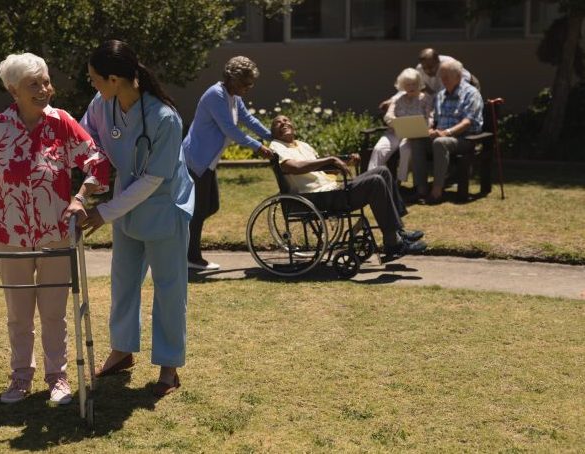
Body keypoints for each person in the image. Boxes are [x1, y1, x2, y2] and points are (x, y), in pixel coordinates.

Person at [0, 53, 111, 405]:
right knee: (18, 314)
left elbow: (97, 162)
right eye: (33, 84)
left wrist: (81, 197)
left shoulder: (62, 123)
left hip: (56, 233)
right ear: (13, 90)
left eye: (46, 81)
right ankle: (20, 377)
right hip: (10, 234)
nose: (43, 89)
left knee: (53, 311)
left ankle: (58, 377)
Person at [79, 40, 194, 398]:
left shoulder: (164, 118)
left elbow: (153, 179)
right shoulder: (103, 104)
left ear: (114, 78)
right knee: (123, 283)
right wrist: (89, 182)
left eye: (95, 78)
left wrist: (103, 212)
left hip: (163, 208)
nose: (92, 84)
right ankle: (122, 350)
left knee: (169, 290)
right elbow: (87, 139)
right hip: (126, 208)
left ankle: (169, 366)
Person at [270, 115, 427, 257]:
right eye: (277, 123)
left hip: (330, 190)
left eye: (286, 120)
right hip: (314, 198)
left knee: (383, 171)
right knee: (375, 182)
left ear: (293, 125)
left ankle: (398, 231)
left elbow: (324, 170)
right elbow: (294, 167)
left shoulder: (302, 145)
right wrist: (330, 159)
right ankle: (393, 243)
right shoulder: (276, 146)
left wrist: (345, 162)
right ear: (273, 132)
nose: (283, 123)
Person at [182, 56, 273, 271]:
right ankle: (191, 257)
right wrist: (258, 147)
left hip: (207, 162)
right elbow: (230, 130)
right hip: (196, 159)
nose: (248, 88)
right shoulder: (216, 95)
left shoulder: (233, 97)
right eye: (245, 84)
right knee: (200, 209)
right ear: (232, 79)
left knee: (210, 206)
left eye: (250, 84)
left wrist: (271, 136)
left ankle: (183, 247)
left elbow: (248, 120)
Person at [412, 59, 483, 203]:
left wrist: (447, 132)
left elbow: (467, 122)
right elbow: (436, 120)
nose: (443, 80)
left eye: (446, 77)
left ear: (458, 76)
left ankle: (437, 192)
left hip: (465, 139)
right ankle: (421, 190)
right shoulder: (441, 95)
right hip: (443, 136)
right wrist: (431, 129)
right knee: (417, 139)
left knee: (440, 142)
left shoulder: (470, 93)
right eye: (441, 76)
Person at [368, 68, 433, 184]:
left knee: (405, 148)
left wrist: (424, 126)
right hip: (395, 132)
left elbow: (430, 119)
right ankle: (370, 180)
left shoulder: (426, 99)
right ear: (403, 85)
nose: (411, 87)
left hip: (413, 135)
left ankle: (398, 182)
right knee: (379, 149)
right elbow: (388, 116)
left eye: (414, 84)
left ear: (419, 84)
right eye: (408, 84)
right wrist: (395, 122)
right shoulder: (398, 98)